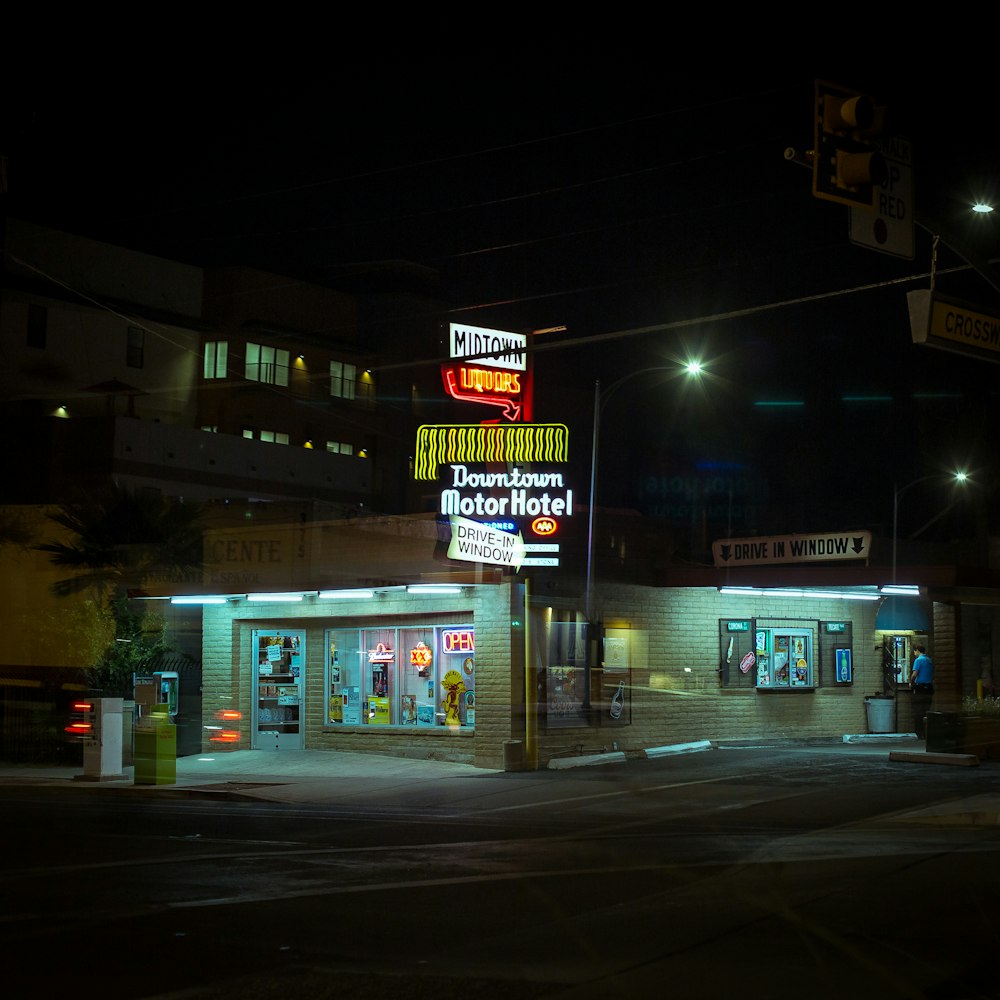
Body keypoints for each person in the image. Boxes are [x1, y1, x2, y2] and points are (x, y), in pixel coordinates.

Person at [911, 644, 934, 739]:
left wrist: (911, 682)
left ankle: (919, 732)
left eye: (914, 651)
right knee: (926, 710)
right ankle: (927, 731)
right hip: (929, 687)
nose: (914, 653)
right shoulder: (930, 660)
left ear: (917, 651)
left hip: (920, 688)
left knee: (918, 711)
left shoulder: (918, 660)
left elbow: (915, 674)